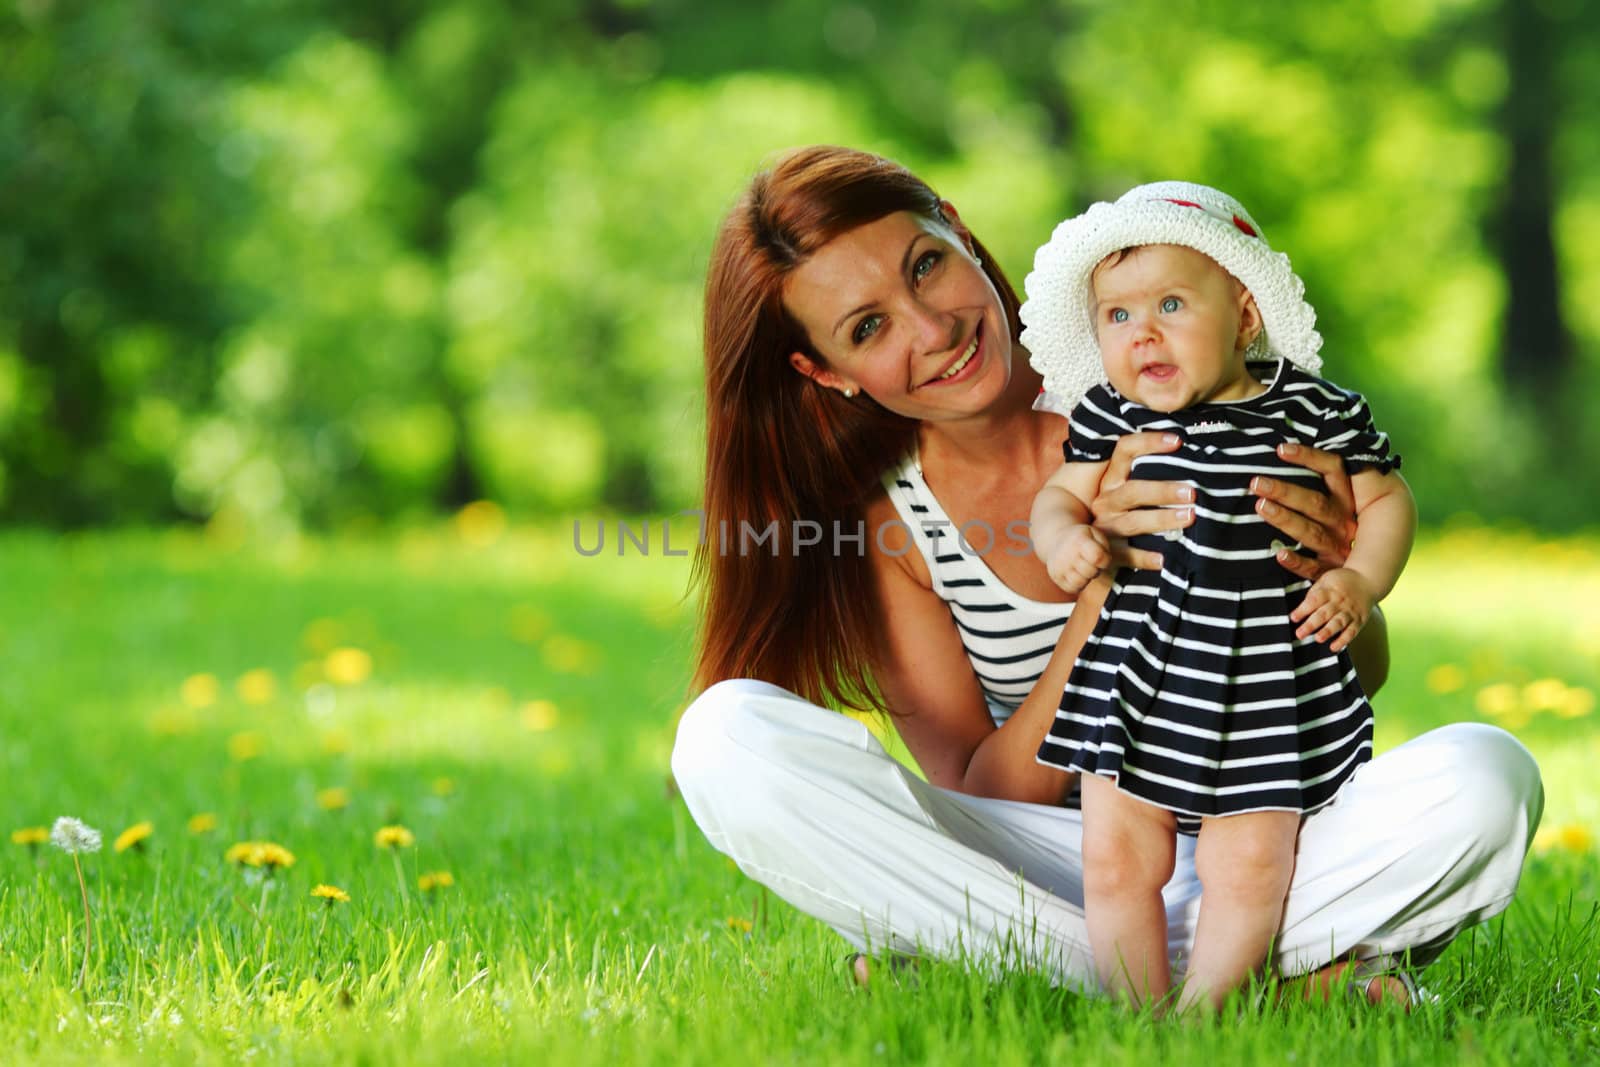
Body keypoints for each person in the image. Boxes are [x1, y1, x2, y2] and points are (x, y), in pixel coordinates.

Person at [671, 145, 1542, 1004]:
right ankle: (1263, 970)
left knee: (1485, 776)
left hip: (1261, 816)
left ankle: (1019, 960)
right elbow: (982, 789)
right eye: (869, 327)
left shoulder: (1174, 391)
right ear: (827, 373)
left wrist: (1336, 581)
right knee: (726, 740)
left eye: (927, 266)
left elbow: (1360, 666)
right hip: (1070, 852)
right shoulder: (894, 529)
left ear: (963, 235)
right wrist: (1102, 591)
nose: (932, 329)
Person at [1022, 182, 1415, 1012]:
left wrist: (1356, 579)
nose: (1144, 332)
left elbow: (1383, 502)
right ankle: (1138, 1010)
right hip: (1138, 670)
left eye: (1170, 302)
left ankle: (1207, 1012)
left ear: (1243, 316)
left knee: (1251, 861)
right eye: (1118, 316)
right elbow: (1059, 495)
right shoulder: (1106, 415)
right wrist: (1065, 537)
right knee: (1117, 856)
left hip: (1265, 679)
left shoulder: (1315, 408)